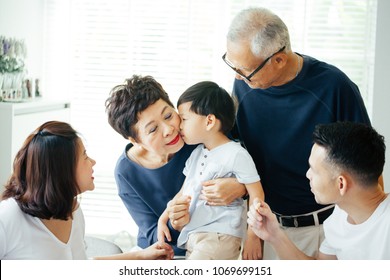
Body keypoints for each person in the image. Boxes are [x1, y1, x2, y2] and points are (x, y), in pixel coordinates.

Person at [222, 7, 371, 259]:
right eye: (233, 65)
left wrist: (367, 234)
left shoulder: (335, 88)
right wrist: (253, 228)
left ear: (278, 60)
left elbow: (367, 167)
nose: (237, 76)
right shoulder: (243, 83)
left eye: (244, 70)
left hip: (325, 229)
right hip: (267, 227)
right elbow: (236, 151)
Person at [105, 75, 247, 256]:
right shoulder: (126, 171)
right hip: (167, 254)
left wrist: (240, 186)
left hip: (212, 242)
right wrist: (175, 223)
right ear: (135, 140)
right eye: (153, 129)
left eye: (168, 115)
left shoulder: (200, 133)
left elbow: (246, 160)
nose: (169, 129)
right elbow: (152, 236)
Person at [0, 121, 173, 260]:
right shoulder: (9, 216)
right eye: (84, 156)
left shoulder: (72, 210)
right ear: (62, 170)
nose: (93, 162)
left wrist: (140, 256)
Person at [248, 122, 389, 259]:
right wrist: (274, 235)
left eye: (314, 170)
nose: (308, 175)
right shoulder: (340, 214)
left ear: (341, 184)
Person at [157, 81, 265, 260]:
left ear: (209, 121)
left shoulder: (236, 153)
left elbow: (257, 195)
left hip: (220, 235)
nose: (179, 126)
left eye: (184, 119)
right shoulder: (196, 153)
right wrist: (163, 218)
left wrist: (253, 236)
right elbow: (183, 192)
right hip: (194, 235)